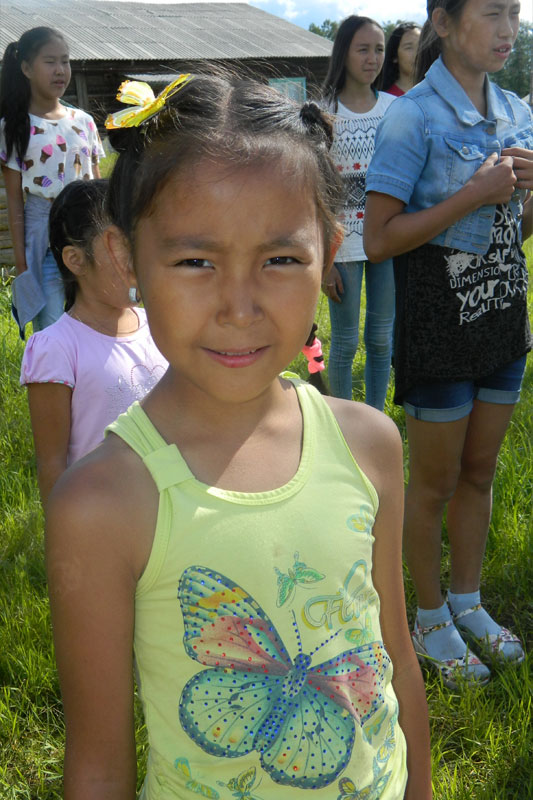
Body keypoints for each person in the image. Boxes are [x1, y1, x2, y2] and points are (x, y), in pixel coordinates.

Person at [45, 74, 431, 798]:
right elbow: (97, 766)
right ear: (125, 260)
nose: (240, 307)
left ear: (329, 255)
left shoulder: (370, 444)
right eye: (196, 261)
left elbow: (393, 660)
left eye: (280, 259)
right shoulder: (102, 503)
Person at [364, 0, 531, 688]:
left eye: (514, 12)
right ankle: (428, 617)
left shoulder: (514, 110)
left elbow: (510, 229)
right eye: (491, 13)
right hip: (438, 322)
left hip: (503, 314)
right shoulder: (412, 117)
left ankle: (467, 602)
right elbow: (379, 239)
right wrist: (475, 194)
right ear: (442, 21)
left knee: (480, 471)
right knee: (432, 483)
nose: (508, 29)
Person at [20, 179, 168, 509]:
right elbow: (52, 464)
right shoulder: (56, 347)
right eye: (119, 247)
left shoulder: (160, 325)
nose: (136, 259)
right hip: (101, 517)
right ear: (75, 260)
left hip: (169, 511)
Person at [0, 26, 104, 336]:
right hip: (44, 249)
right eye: (50, 62)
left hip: (88, 241)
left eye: (65, 61)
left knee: (93, 325)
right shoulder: (14, 127)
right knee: (53, 331)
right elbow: (15, 201)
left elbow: (98, 187)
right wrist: (22, 264)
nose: (60, 70)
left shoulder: (84, 122)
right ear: (26, 69)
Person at [321, 16, 395, 410]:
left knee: (382, 339)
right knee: (346, 342)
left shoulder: (396, 110)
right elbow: (313, 191)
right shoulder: (322, 113)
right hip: (342, 247)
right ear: (343, 53)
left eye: (379, 49)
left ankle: (376, 420)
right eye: (362, 49)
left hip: (387, 239)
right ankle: (342, 423)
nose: (372, 58)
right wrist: (324, 259)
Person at [381, 23, 421, 96]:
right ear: (395, 56)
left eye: (421, 46)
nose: (417, 53)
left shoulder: (437, 92)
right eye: (409, 48)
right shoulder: (386, 98)